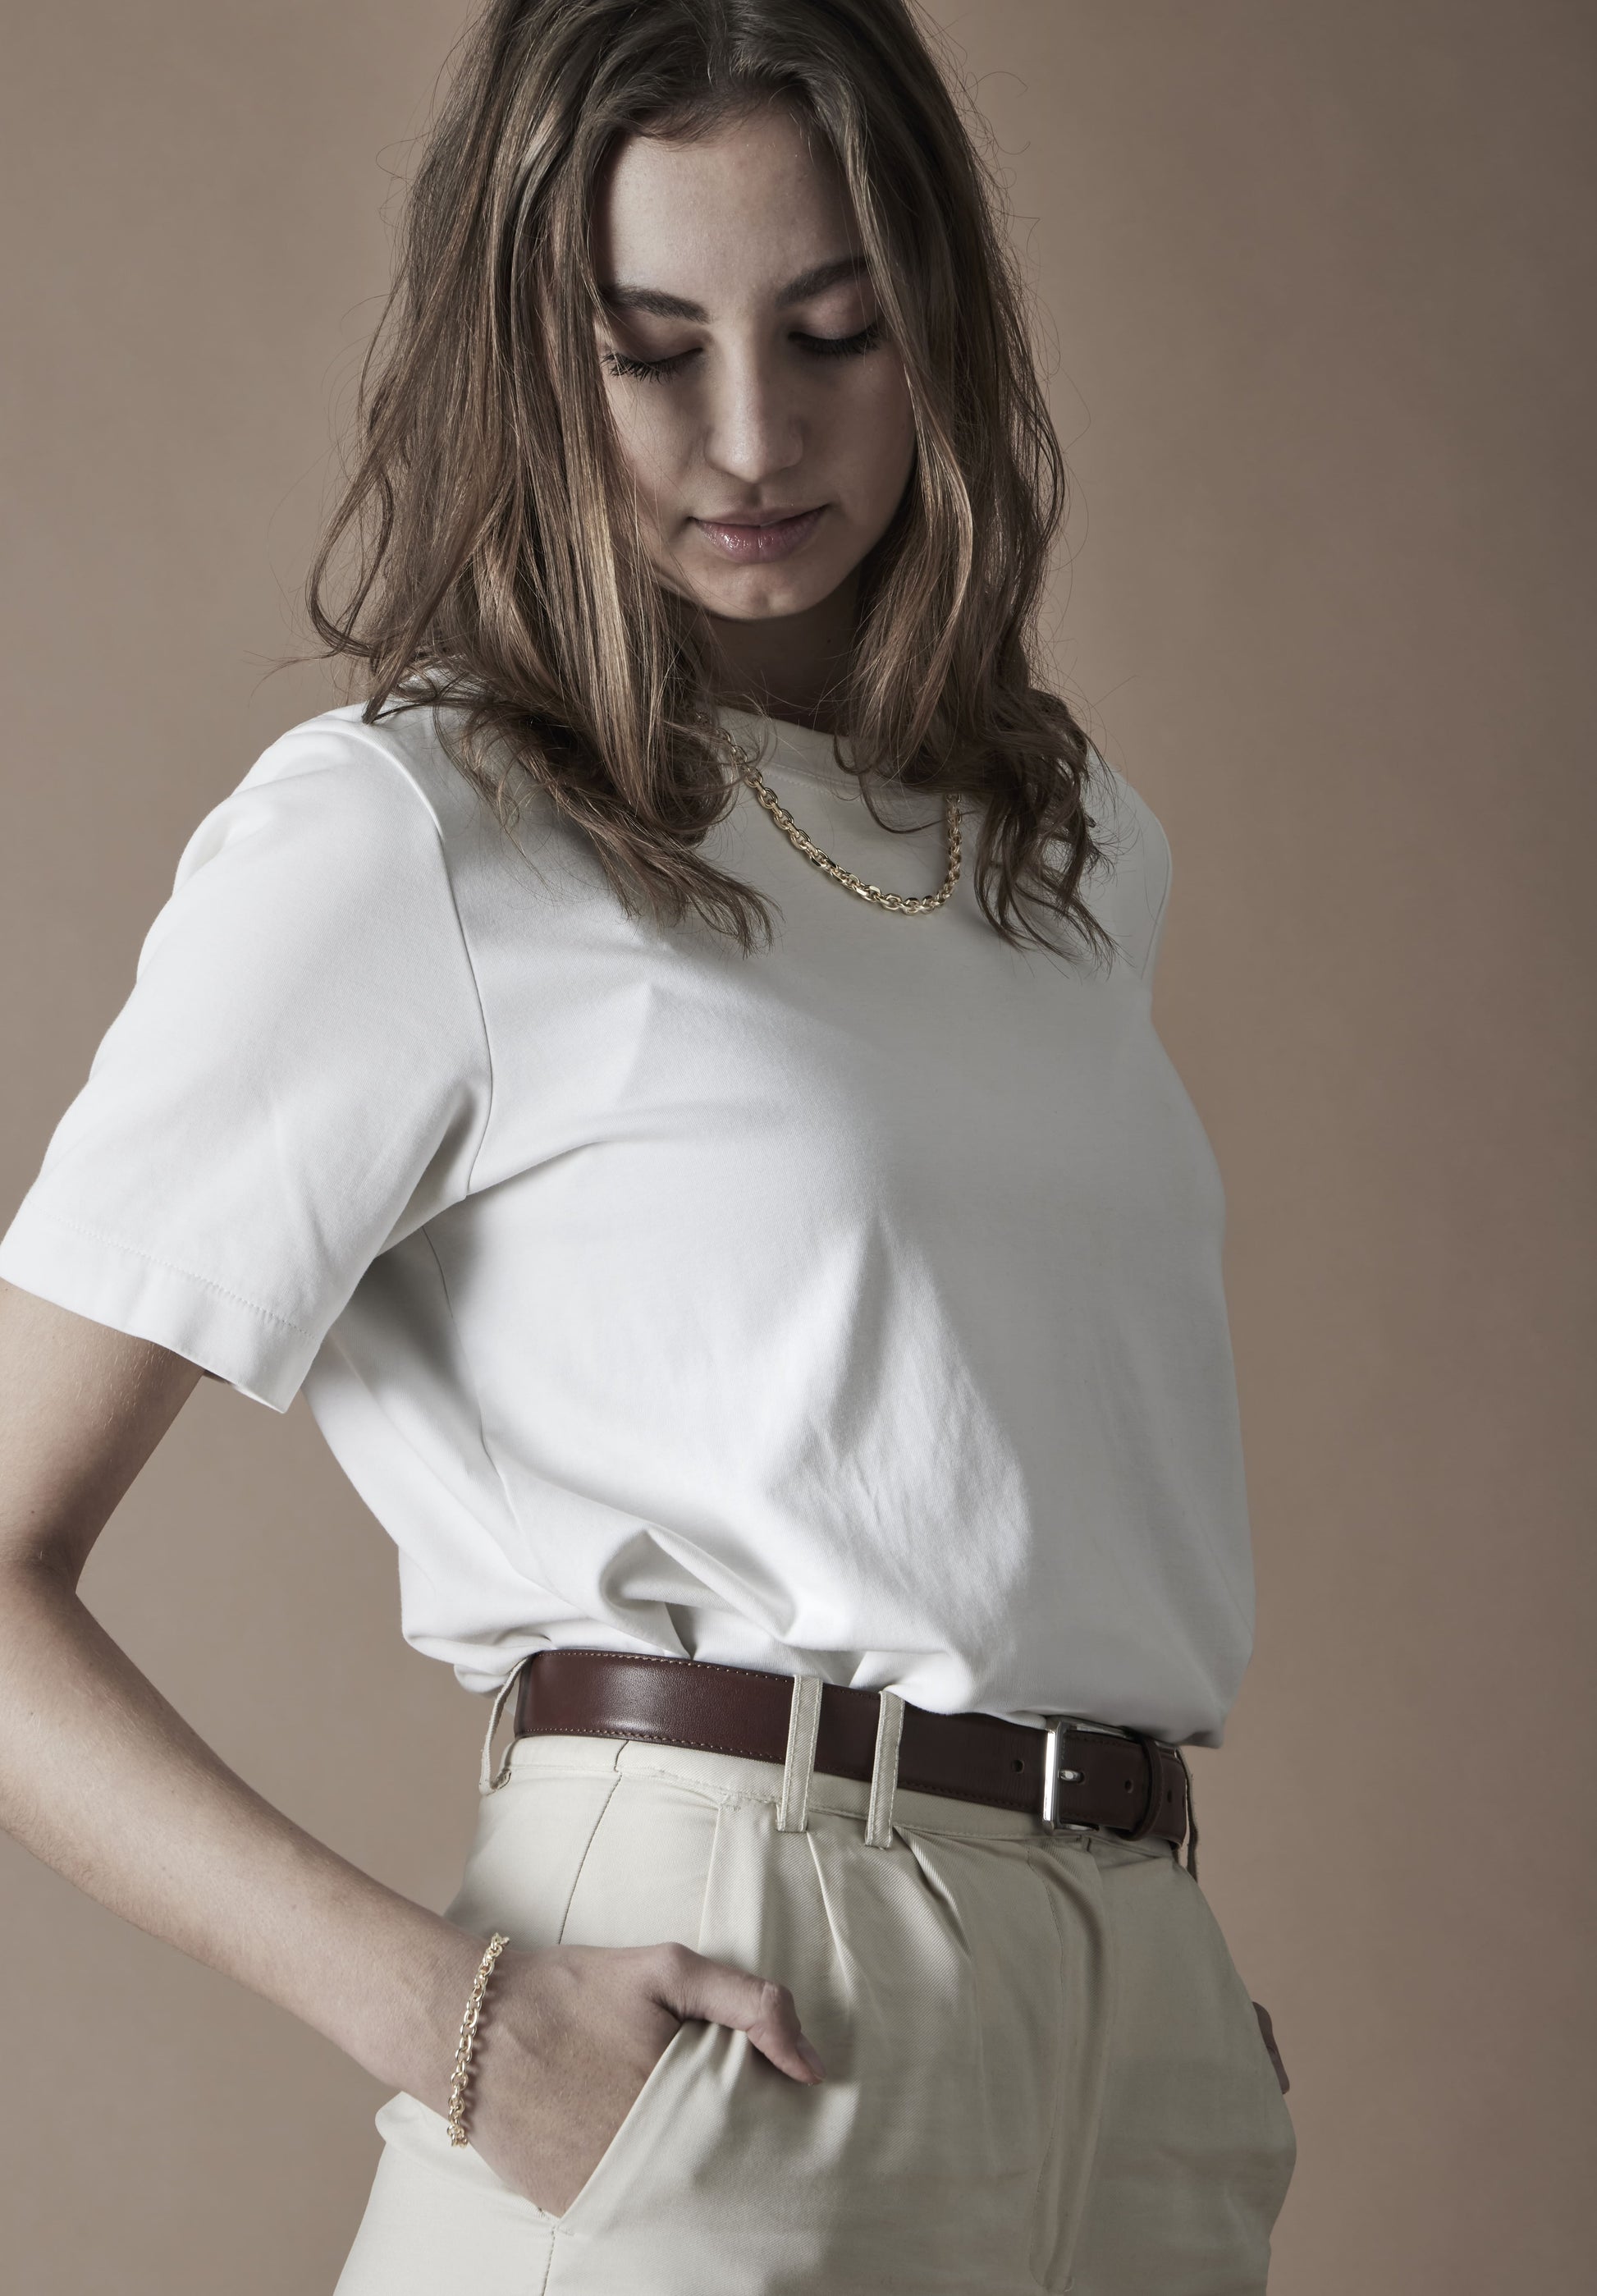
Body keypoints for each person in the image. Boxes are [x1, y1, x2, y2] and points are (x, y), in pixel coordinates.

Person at [0, 2, 1297, 2289]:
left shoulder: (1061, 846)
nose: (752, 437)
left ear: (939, 332)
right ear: (522, 361)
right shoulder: (421, 835)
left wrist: (1131, 2011)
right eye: (648, 349)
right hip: (720, 2006)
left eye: (832, 331)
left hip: (1132, 2044)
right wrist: (454, 2020)